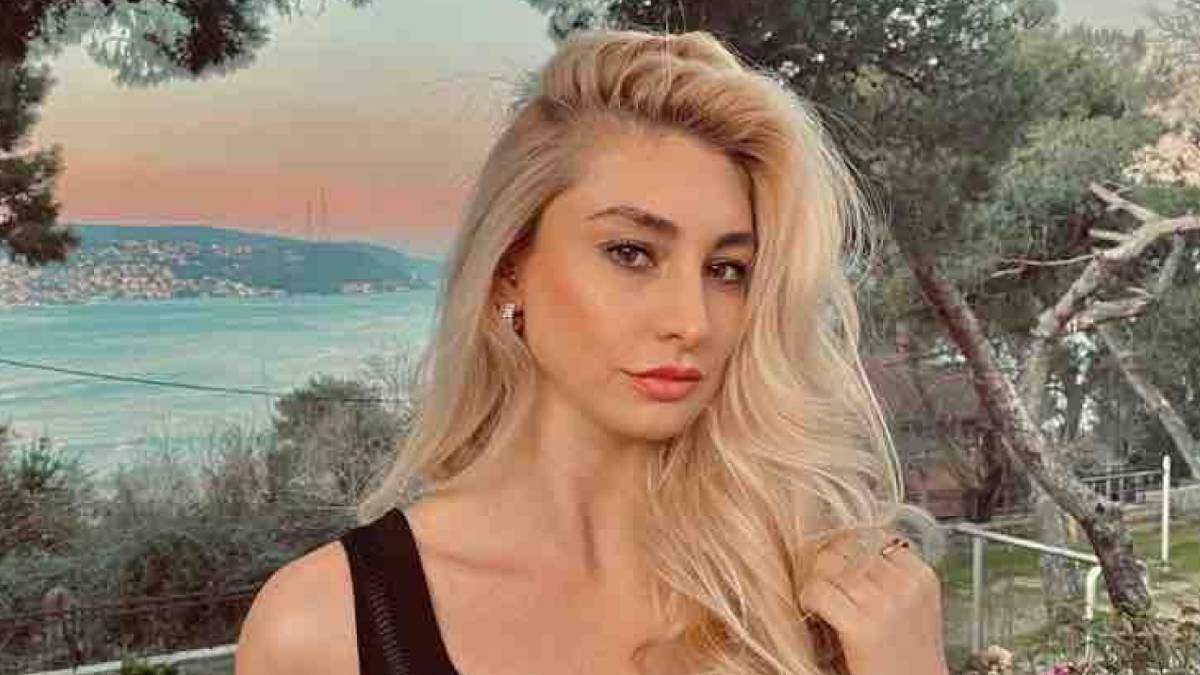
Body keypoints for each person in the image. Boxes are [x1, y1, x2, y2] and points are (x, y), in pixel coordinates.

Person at [235, 27, 948, 675]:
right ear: (509, 269)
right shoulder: (325, 629)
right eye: (631, 252)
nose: (691, 320)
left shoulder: (813, 593)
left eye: (727, 269)